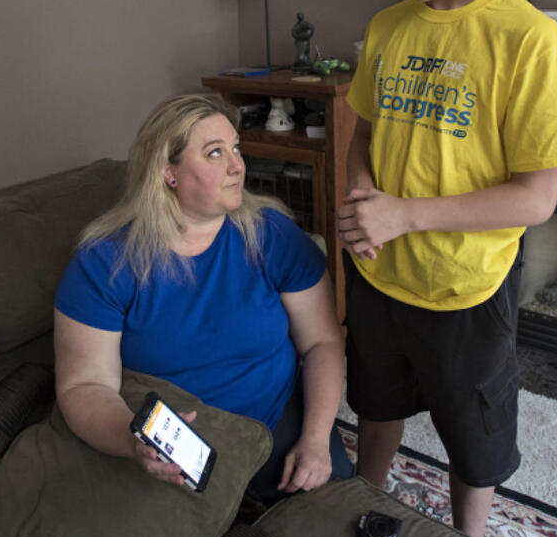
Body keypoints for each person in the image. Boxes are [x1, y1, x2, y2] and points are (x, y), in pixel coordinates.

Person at [336, 0, 557, 537]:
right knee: (376, 400)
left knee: (473, 435)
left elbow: (537, 198)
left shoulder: (528, 41)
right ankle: (364, 500)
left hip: (466, 286)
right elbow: (363, 134)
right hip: (380, 270)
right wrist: (364, 206)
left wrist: (404, 215)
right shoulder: (388, 27)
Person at [53, 93, 352, 504]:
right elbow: (85, 386)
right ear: (168, 173)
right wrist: (132, 443)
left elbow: (323, 341)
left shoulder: (271, 233)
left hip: (277, 421)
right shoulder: (105, 261)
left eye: (235, 148)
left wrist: (316, 439)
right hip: (185, 448)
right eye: (215, 153)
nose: (237, 165)